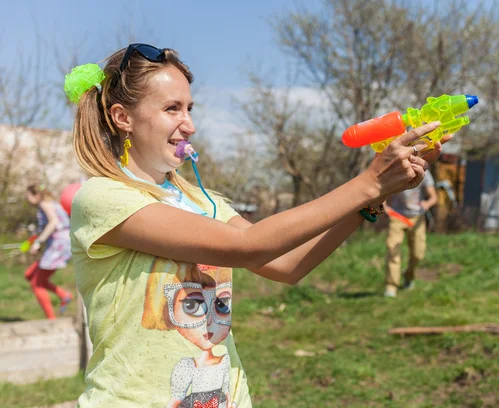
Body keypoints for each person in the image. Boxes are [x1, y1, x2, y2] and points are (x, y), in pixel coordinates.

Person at [66, 43, 452, 407]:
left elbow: (285, 265)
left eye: (190, 108)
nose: (190, 125)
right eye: (172, 109)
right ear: (122, 118)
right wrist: (369, 180)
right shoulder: (103, 198)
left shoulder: (204, 201)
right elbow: (250, 245)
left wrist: (372, 198)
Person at [383, 171, 438, 297]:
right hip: (397, 216)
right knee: (392, 249)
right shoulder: (395, 170)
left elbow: (433, 197)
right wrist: (384, 206)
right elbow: (382, 190)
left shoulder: (424, 172)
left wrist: (427, 203)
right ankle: (391, 286)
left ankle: (408, 275)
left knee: (418, 254)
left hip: (417, 217)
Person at [24, 185, 73, 319]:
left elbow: (53, 222)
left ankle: (51, 320)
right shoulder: (48, 203)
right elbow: (43, 227)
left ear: (36, 195)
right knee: (29, 275)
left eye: (28, 196)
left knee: (36, 284)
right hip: (59, 243)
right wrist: (31, 241)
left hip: (59, 245)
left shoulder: (45, 204)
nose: (26, 200)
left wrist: (39, 242)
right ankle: (64, 295)